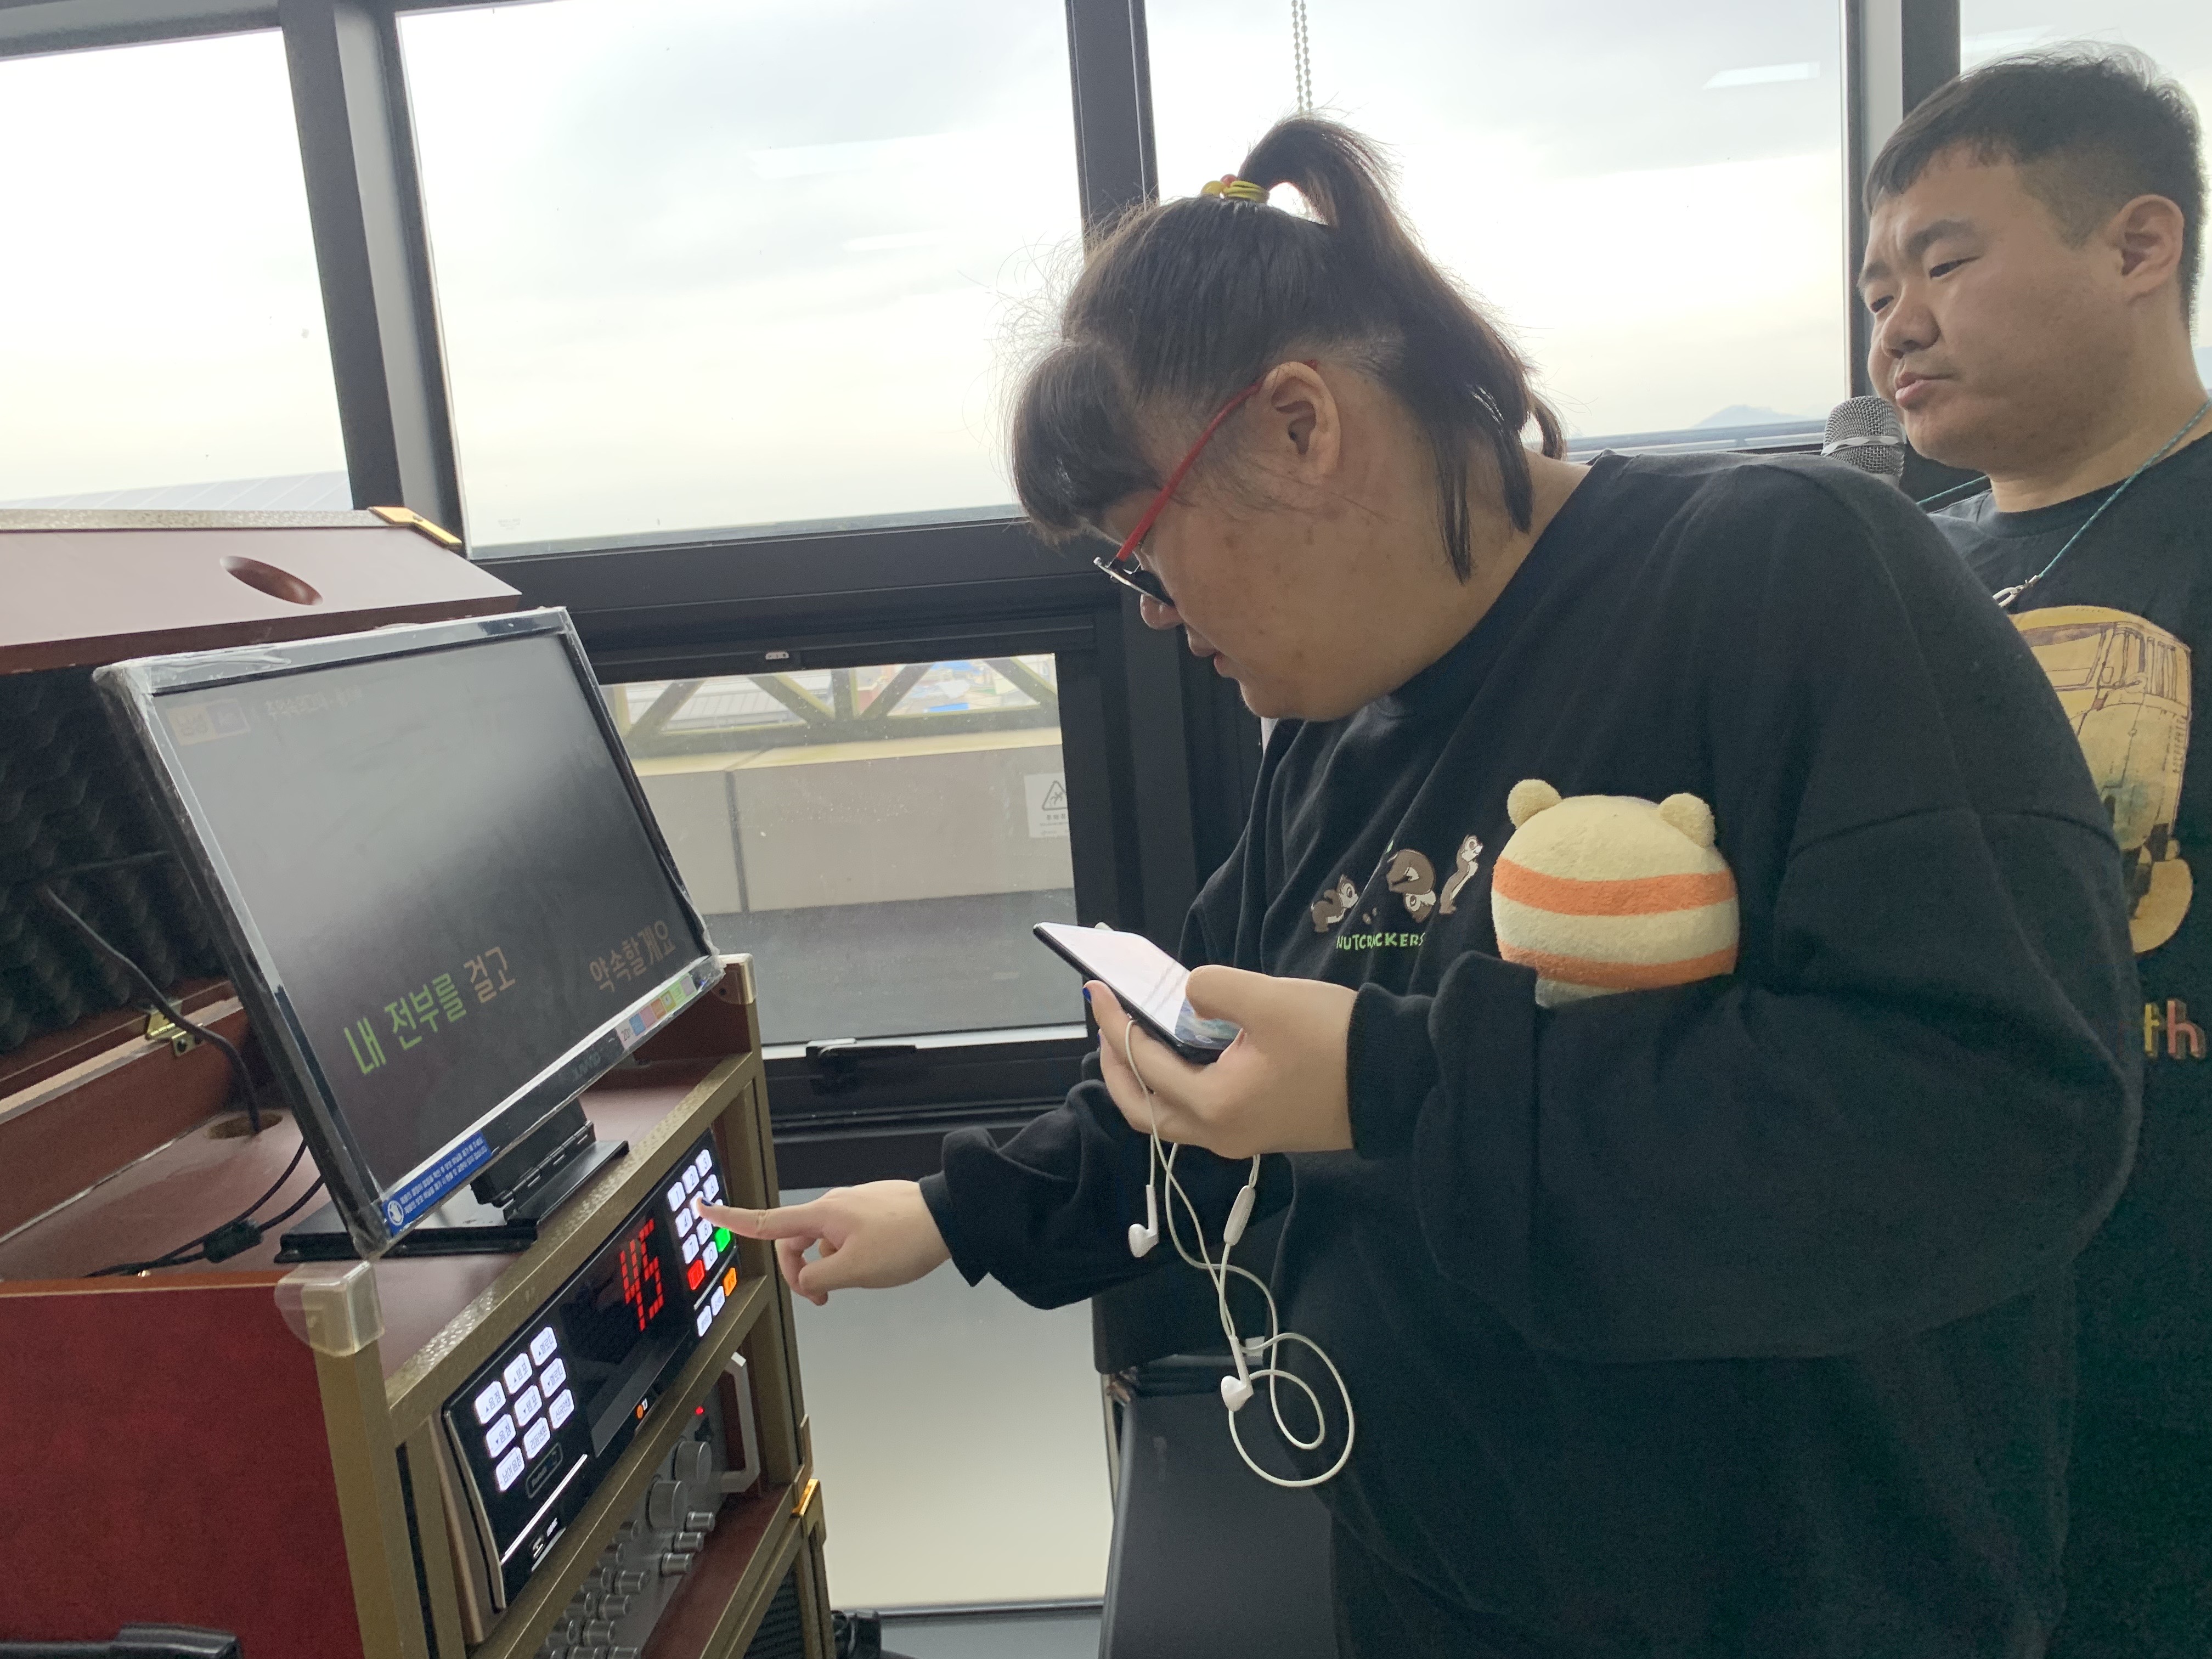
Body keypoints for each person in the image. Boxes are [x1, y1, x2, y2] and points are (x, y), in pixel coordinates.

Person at [699, 117, 2140, 1656]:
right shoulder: (1333, 733)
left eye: (1144, 550)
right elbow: (1215, 1060)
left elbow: (2000, 1119)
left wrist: (1393, 1083)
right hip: (1435, 1581)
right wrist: (955, 1211)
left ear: (1300, 426)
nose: (1157, 614)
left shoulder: (1782, 575)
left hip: (1779, 1602)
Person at [1859, 47, 2211, 1657]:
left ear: (2139, 246)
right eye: (1879, 290)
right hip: (1951, 1346)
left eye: (1945, 263)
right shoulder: (1889, 573)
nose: (1897, 328)